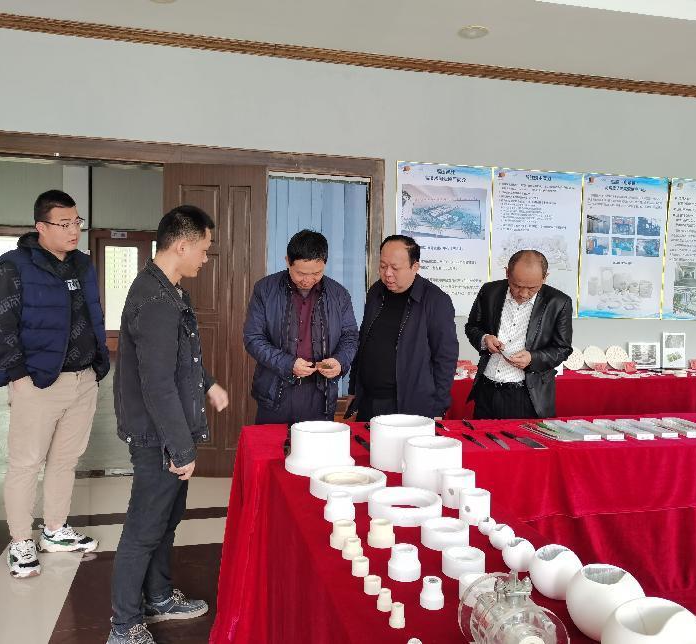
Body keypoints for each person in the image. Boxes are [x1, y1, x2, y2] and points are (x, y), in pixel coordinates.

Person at [108, 205, 229, 644]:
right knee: (144, 529)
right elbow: (157, 384)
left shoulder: (170, 290)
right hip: (157, 437)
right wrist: (181, 449)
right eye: (204, 249)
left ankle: (158, 597)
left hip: (167, 432)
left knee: (165, 520)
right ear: (181, 245)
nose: (205, 258)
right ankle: (124, 626)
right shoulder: (156, 300)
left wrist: (208, 383)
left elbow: (179, 361)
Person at [0, 189, 110, 578]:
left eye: (77, 222)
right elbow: (1, 325)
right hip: (37, 382)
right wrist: (17, 377)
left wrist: (98, 364)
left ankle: (55, 529)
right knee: (26, 463)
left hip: (83, 379)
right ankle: (21, 540)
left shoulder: (83, 264)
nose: (74, 230)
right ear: (41, 227)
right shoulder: (13, 265)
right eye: (65, 223)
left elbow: (93, 315)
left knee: (65, 460)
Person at [243, 229, 359, 424]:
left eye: (316, 273)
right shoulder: (265, 289)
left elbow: (350, 336)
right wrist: (288, 364)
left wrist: (340, 361)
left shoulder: (339, 295)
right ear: (287, 261)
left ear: (325, 264)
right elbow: (253, 338)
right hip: (275, 393)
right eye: (301, 273)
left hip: (320, 396)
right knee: (272, 443)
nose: (308, 280)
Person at [347, 235, 458, 421]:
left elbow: (445, 358)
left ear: (415, 267)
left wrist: (438, 408)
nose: (387, 274)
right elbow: (363, 343)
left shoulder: (435, 300)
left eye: (395, 268)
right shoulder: (375, 292)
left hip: (409, 406)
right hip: (369, 402)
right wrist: (353, 390)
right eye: (383, 266)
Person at [464, 249, 573, 419]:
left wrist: (533, 358)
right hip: (486, 388)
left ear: (544, 278)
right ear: (507, 273)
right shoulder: (490, 291)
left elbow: (563, 349)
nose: (523, 294)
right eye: (516, 285)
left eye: (532, 288)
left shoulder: (559, 302)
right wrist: (485, 339)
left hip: (527, 395)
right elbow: (472, 327)